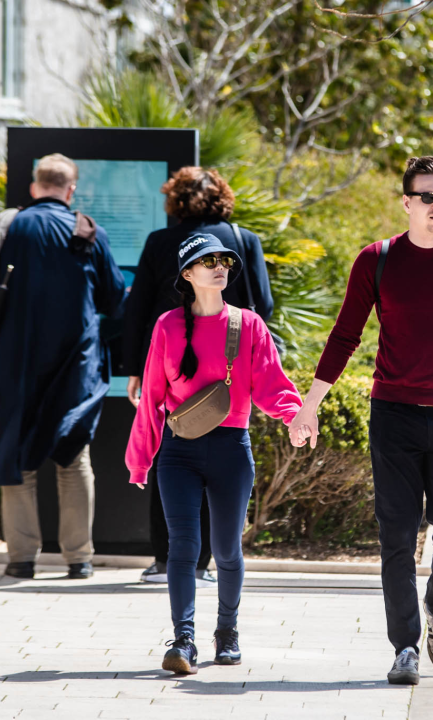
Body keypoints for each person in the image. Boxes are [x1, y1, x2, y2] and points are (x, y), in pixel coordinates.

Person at [287, 156, 433, 686]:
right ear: (407, 201)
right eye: (428, 196)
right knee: (396, 535)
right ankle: (405, 647)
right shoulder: (378, 260)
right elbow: (345, 335)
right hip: (393, 416)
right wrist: (310, 404)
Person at [0, 153, 126, 580]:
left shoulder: (4, 226)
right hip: (76, 364)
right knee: (73, 456)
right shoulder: (88, 232)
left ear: (35, 188)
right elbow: (113, 298)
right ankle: (79, 560)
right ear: (71, 191)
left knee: (17, 455)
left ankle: (21, 559)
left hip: (14, 361)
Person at [125, 234, 303, 675]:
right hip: (178, 452)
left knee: (226, 550)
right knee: (183, 547)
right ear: (187, 274)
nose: (220, 266)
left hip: (231, 448)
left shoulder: (249, 324)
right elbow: (152, 395)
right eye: (208, 261)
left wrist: (295, 416)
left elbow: (271, 385)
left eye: (224, 259)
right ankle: (183, 639)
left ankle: (227, 632)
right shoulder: (167, 325)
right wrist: (141, 458)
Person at [121, 167, 274, 588]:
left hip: (173, 364)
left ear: (175, 199)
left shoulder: (160, 241)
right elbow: (264, 304)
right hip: (230, 373)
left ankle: (163, 560)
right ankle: (203, 564)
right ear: (223, 196)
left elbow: (138, 309)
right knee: (221, 466)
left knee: (170, 452)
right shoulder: (243, 239)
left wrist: (134, 368)